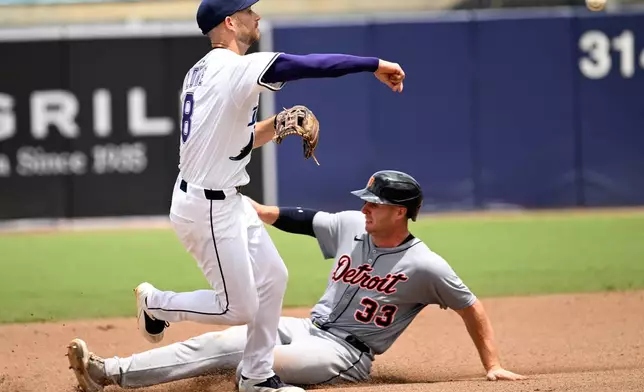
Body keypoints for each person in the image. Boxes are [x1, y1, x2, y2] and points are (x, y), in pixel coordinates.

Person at [66, 0, 405, 390]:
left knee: (274, 277)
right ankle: (156, 303)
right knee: (238, 307)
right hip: (206, 207)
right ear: (230, 22)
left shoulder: (201, 72)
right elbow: (309, 64)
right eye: (248, 11)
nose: (256, 16)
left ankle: (257, 376)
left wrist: (277, 125)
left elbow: (235, 143)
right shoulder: (236, 67)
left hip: (224, 198)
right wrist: (374, 64)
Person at [66, 170, 526, 392]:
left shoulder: (425, 265)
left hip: (346, 352)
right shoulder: (351, 225)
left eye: (374, 204)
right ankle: (108, 372)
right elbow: (299, 219)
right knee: (227, 339)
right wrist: (249, 208)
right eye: (365, 202)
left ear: (400, 212)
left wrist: (492, 364)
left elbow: (471, 306)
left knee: (253, 357)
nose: (364, 208)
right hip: (307, 326)